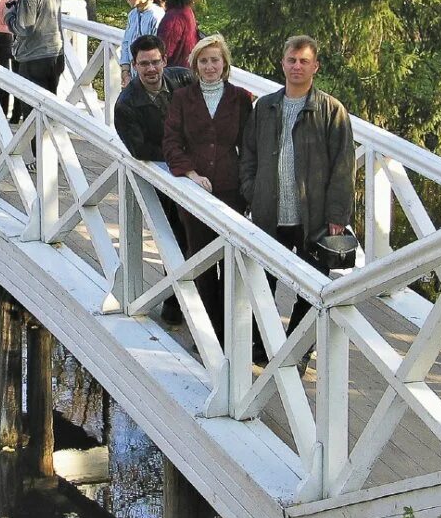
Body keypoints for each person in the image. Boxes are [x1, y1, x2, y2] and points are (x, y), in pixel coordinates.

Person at [239, 34, 354, 356]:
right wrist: (252, 190)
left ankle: (299, 351)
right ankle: (263, 345)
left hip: (313, 217)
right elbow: (248, 154)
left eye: (304, 61)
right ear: (282, 63)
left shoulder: (331, 110)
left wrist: (336, 216)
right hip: (269, 213)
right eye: (292, 60)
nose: (297, 66)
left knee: (311, 289)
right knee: (263, 283)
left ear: (315, 65)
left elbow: (344, 167)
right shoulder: (265, 107)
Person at [162, 35, 253, 342]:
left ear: (225, 64)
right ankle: (209, 338)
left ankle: (231, 337)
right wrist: (189, 172)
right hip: (196, 192)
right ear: (195, 65)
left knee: (231, 264)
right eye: (204, 61)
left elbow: (249, 147)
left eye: (215, 60)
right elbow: (171, 141)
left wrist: (249, 187)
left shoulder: (240, 98)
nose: (210, 66)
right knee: (201, 263)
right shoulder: (182, 98)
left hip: (232, 190)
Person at [114, 33, 195, 324]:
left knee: (204, 243)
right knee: (175, 243)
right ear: (134, 66)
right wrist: (181, 158)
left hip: (196, 176)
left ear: (165, 60)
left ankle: (207, 310)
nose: (151, 69)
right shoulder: (126, 106)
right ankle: (175, 307)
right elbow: (140, 149)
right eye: (144, 64)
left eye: (156, 62)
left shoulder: (183, 79)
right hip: (160, 183)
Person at [4, 0, 63, 126]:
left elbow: (24, 28)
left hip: (34, 58)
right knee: (48, 112)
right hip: (55, 55)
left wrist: (9, 15)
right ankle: (46, 152)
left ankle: (39, 153)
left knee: (33, 116)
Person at [119, 0, 164, 88]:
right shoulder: (132, 15)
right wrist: (125, 70)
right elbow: (126, 42)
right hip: (133, 74)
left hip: (149, 74)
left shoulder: (156, 16)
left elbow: (157, 49)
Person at [156, 0, 199, 68]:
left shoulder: (173, 18)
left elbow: (163, 52)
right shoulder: (188, 11)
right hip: (188, 70)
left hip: (174, 75)